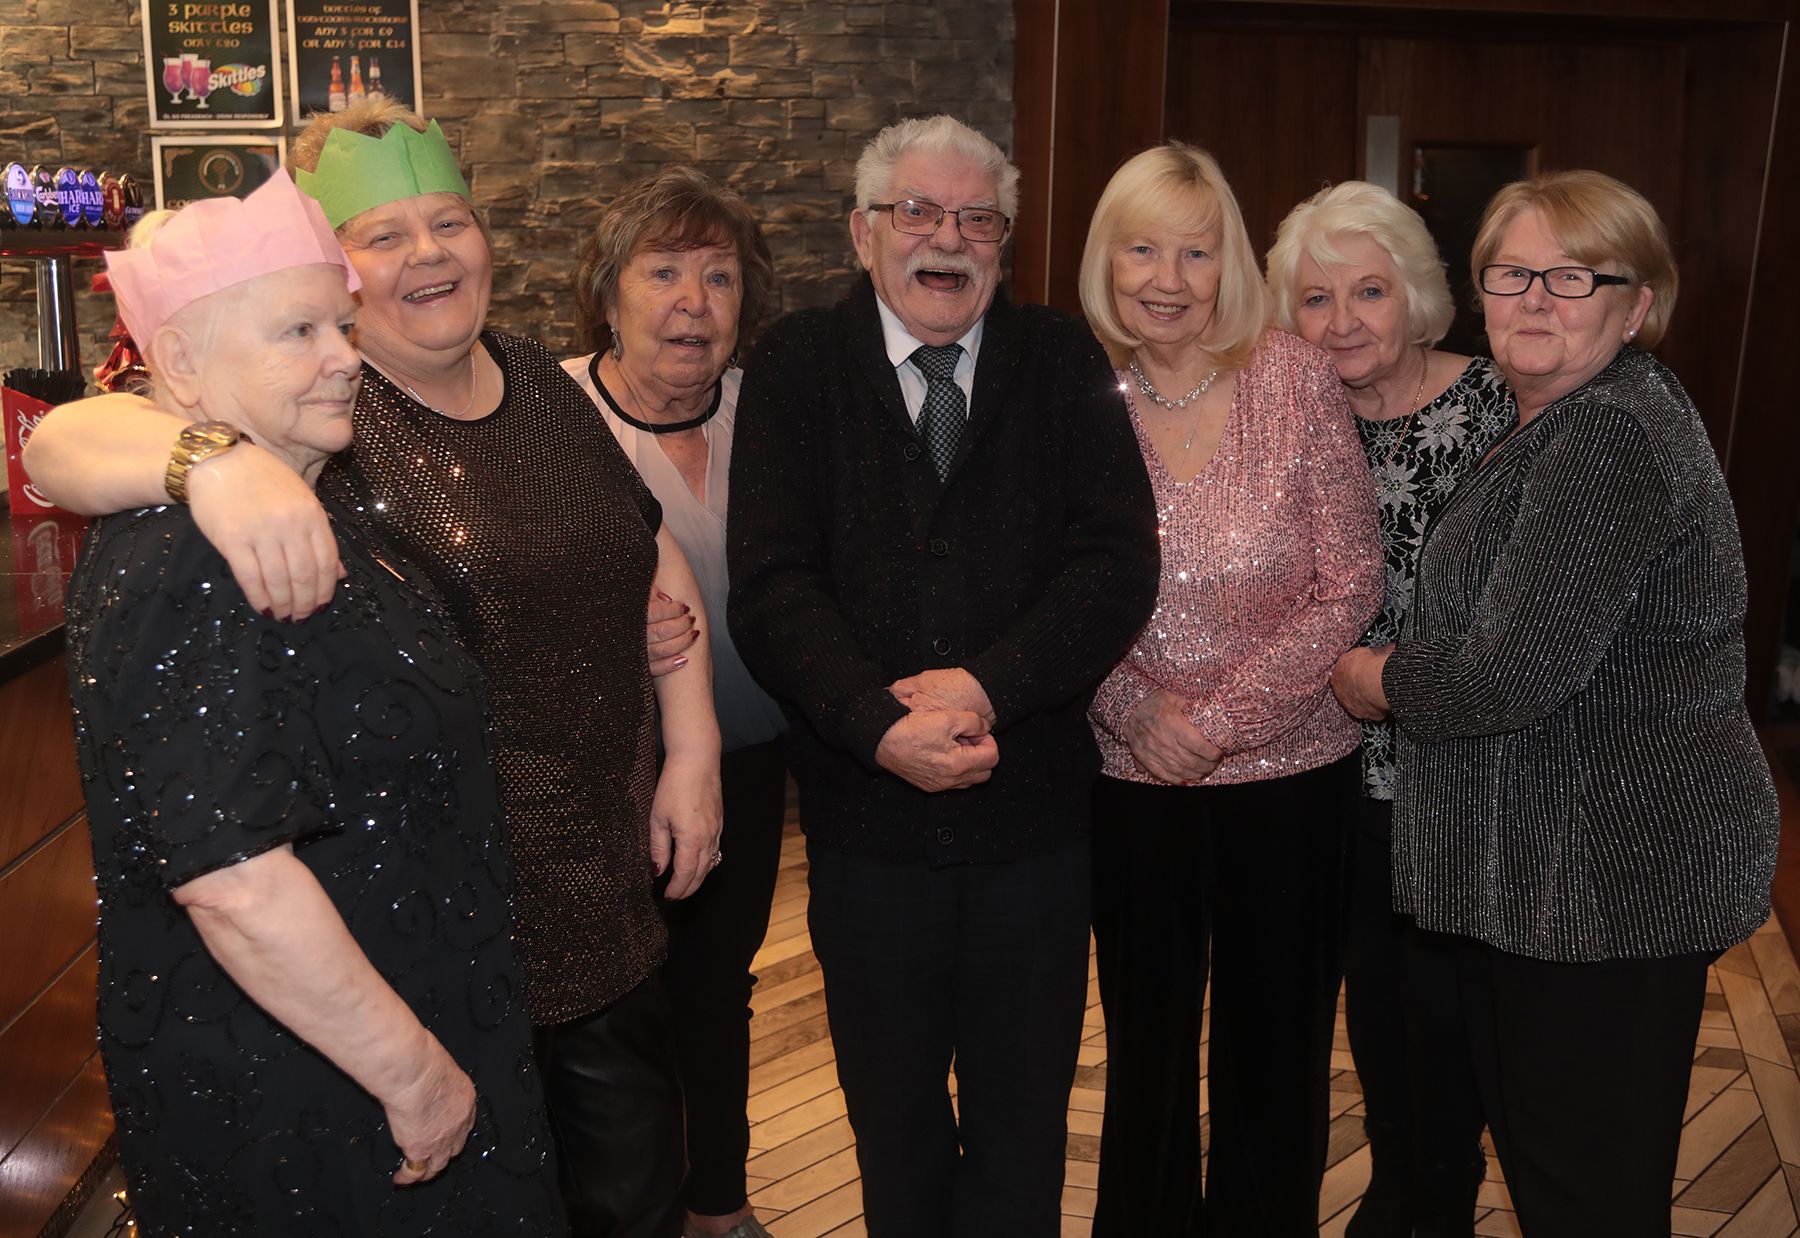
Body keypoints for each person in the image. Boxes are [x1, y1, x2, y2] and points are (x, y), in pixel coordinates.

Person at [23, 102, 721, 1238]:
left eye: (448, 220)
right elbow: (63, 444)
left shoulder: (534, 385)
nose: (428, 254)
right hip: (396, 960)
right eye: (382, 237)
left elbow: (643, 548)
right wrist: (208, 461)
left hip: (584, 882)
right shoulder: (296, 443)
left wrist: (688, 745)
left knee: (628, 1187)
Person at [68, 172, 564, 1236]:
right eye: (299, 329)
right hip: (318, 1092)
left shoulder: (300, 490)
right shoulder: (190, 554)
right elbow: (235, 879)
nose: (345, 352)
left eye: (340, 322)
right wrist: (417, 1073)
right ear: (182, 364)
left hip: (394, 1028)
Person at [725, 114, 1160, 1237]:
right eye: (918, 210)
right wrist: (877, 725)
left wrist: (983, 685)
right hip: (867, 823)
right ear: (862, 232)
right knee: (894, 1120)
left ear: (1004, 242)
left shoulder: (1063, 359)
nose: (947, 238)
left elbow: (1115, 566)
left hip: (1036, 821)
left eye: (977, 217)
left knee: (1025, 1123)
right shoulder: (790, 366)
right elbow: (772, 585)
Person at [1333, 169, 1780, 1234]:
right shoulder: (1566, 417)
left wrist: (1375, 677)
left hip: (1607, 884)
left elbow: (1504, 672)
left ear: (1638, 304)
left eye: (1575, 275)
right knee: (1565, 1179)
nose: (1536, 297)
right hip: (1565, 880)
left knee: (1586, 1197)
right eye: (1513, 271)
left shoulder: (1604, 436)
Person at [1078, 142, 1381, 1236]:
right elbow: (1046, 586)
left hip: (1294, 778)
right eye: (1142, 248)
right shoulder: (1071, 394)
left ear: (1230, 264)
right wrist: (1130, 707)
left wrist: (1223, 717)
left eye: (1195, 251)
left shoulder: (1293, 375)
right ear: (1105, 260)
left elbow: (1352, 576)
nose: (1167, 276)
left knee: (1277, 1043)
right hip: (1130, 775)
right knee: (1147, 1049)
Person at [1265, 180, 1515, 1236]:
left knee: (1452, 1013)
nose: (1343, 321)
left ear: (1418, 294)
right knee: (1375, 1002)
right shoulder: (1290, 415)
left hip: (1473, 765)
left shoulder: (1504, 405)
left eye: (1369, 290)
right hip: (1341, 772)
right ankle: (1400, 1185)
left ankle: (1439, 1193)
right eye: (1315, 299)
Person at [563, 167, 786, 1238]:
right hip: (603, 767)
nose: (694, 301)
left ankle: (717, 1200)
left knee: (717, 984)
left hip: (749, 764)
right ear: (608, 295)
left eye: (719, 276)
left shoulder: (773, 414)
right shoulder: (549, 413)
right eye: (664, 272)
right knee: (616, 1000)